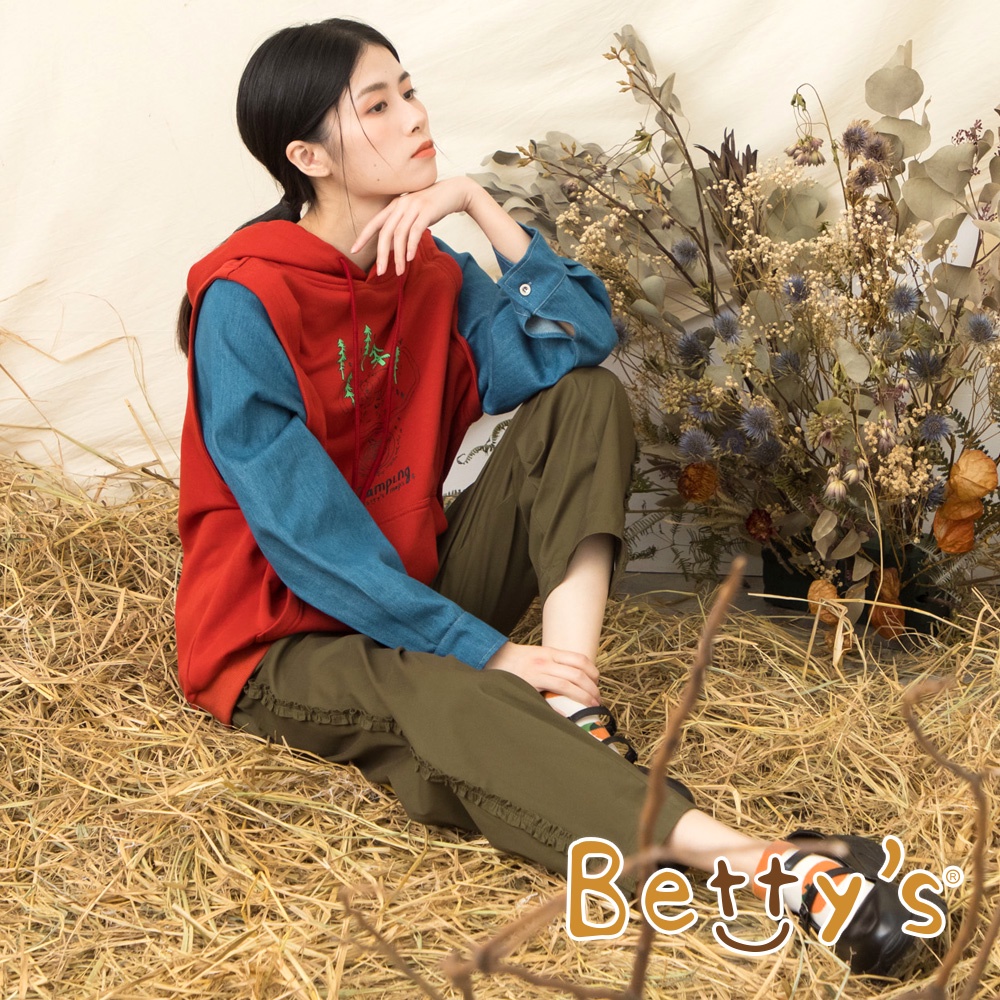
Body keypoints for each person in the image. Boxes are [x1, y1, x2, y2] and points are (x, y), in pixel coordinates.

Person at [174, 17, 938, 978]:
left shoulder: (428, 268)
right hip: (280, 633)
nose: (414, 116)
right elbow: (307, 539)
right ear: (307, 157)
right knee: (448, 697)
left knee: (586, 400)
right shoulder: (244, 302)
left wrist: (476, 205)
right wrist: (487, 651)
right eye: (378, 105)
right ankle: (774, 867)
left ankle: (575, 701)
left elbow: (579, 341)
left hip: (412, 581)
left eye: (409, 90)